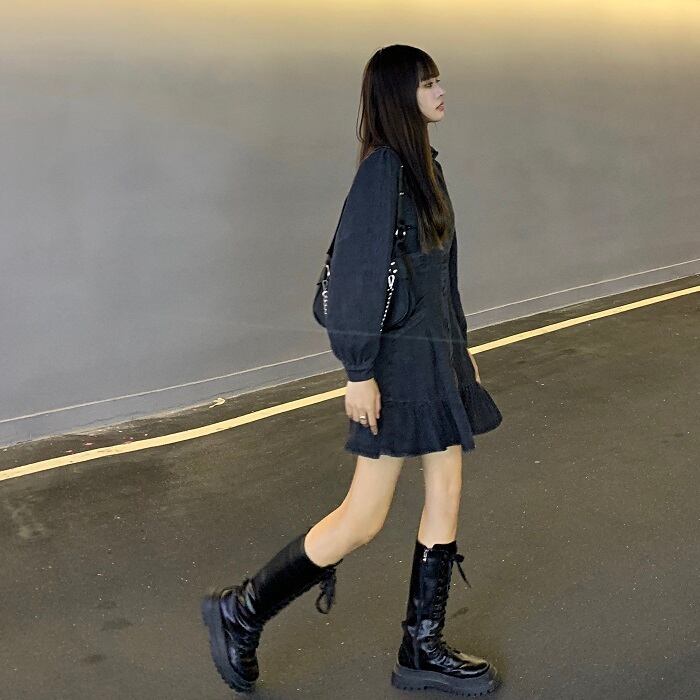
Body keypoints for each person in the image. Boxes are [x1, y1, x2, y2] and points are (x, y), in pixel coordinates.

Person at [201, 44, 503, 696]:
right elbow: (356, 281)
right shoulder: (384, 171)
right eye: (427, 83)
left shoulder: (425, 168)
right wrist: (358, 371)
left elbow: (438, 277)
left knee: (447, 489)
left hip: (436, 359)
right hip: (397, 368)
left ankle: (421, 645)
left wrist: (461, 349)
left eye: (438, 80)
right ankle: (242, 610)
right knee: (363, 517)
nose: (440, 91)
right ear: (399, 96)